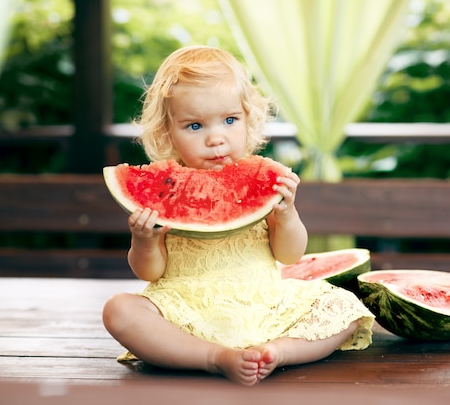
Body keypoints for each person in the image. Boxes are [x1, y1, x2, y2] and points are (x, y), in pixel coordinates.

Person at [102, 45, 375, 386]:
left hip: (264, 304)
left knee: (344, 305)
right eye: (195, 125)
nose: (216, 138)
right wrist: (144, 241)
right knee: (120, 310)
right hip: (187, 312)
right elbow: (150, 271)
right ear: (166, 131)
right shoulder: (166, 191)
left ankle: (278, 351)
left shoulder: (264, 185)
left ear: (249, 118)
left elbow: (290, 254)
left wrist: (286, 215)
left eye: (230, 120)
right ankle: (213, 357)